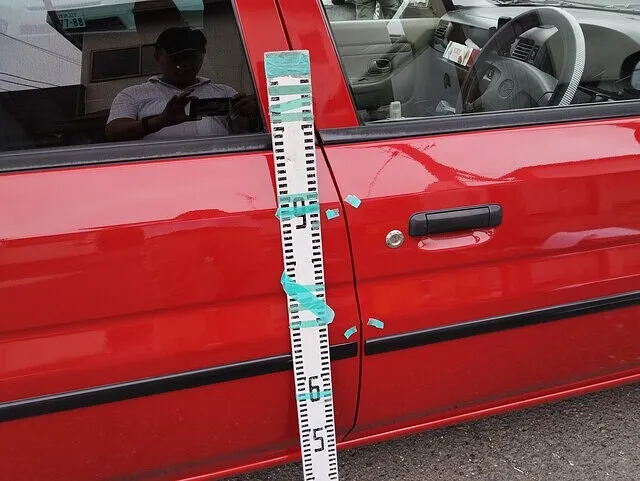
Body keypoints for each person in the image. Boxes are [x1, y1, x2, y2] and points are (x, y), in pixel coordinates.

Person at [105, 26, 259, 142]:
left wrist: (251, 115)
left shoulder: (225, 92)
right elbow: (113, 133)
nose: (185, 64)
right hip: (157, 170)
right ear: (158, 57)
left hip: (220, 167)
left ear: (202, 58)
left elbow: (245, 133)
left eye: (192, 58)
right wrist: (160, 121)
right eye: (177, 58)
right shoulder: (132, 94)